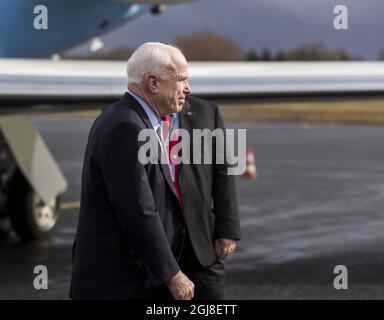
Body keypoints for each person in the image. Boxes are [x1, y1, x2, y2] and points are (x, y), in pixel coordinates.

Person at [70, 42, 194, 300]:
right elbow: (137, 210)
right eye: (181, 79)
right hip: (121, 284)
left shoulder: (128, 119)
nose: (187, 88)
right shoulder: (127, 128)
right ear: (153, 83)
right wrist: (173, 274)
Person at [162, 95, 241, 300]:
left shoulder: (208, 112)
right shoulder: (132, 116)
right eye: (180, 78)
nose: (187, 87)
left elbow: (223, 172)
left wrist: (227, 230)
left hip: (200, 238)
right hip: (157, 236)